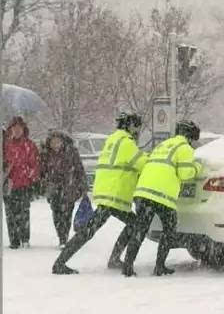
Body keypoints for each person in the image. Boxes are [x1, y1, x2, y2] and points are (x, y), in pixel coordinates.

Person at [52, 112, 148, 274]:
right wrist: (156, 157)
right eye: (137, 127)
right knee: (135, 224)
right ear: (131, 126)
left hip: (106, 191)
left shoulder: (112, 140)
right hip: (114, 194)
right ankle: (113, 259)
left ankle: (61, 262)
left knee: (90, 230)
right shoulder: (126, 142)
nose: (138, 131)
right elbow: (142, 163)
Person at [122, 120, 202, 277]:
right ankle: (159, 266)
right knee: (169, 230)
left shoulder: (163, 145)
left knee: (140, 229)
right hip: (162, 195)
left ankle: (127, 266)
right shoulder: (184, 148)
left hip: (143, 192)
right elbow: (186, 174)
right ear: (191, 137)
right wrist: (197, 166)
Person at [40, 130, 88, 247]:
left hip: (69, 188)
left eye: (58, 141)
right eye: (53, 141)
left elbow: (79, 169)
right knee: (56, 213)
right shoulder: (46, 154)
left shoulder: (71, 152)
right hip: (53, 189)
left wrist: (83, 185)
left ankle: (64, 237)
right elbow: (42, 171)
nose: (55, 144)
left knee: (67, 214)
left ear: (62, 141)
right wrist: (43, 185)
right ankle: (61, 235)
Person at [3, 116, 40, 249]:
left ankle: (25, 238)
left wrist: (30, 175)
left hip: (24, 184)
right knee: (10, 213)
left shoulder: (29, 145)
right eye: (14, 127)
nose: (17, 130)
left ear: (24, 129)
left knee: (24, 213)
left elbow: (35, 164)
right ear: (10, 129)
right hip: (9, 184)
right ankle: (14, 240)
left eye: (20, 127)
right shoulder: (6, 144)